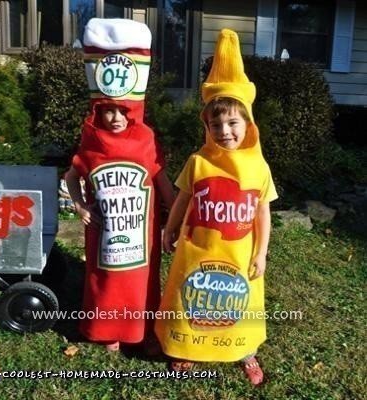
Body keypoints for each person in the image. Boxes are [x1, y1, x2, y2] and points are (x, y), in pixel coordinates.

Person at [154, 29, 278, 385]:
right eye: (216, 124)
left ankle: (244, 351)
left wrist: (262, 253)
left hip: (240, 255)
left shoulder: (259, 167)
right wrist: (170, 227)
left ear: (248, 124)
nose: (224, 130)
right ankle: (187, 348)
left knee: (241, 304)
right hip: (198, 249)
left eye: (232, 122)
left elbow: (263, 211)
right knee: (191, 298)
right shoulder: (198, 161)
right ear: (206, 127)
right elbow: (182, 198)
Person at [66, 18, 174, 353]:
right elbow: (72, 175)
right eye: (108, 110)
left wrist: (174, 214)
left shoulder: (145, 138)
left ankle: (141, 330)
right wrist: (79, 205)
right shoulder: (91, 140)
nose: (115, 117)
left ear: (134, 111)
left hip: (141, 232)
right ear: (98, 110)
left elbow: (161, 178)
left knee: (140, 281)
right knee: (106, 279)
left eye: (122, 111)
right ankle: (107, 330)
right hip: (104, 231)